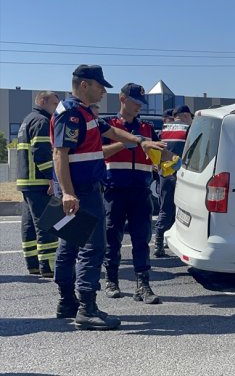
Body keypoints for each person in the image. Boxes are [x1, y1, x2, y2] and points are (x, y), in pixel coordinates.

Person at [52, 65, 164, 331]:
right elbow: (60, 154)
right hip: (80, 192)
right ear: (84, 85)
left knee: (69, 247)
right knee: (93, 248)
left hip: (80, 189)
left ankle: (67, 302)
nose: (104, 91)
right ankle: (86, 309)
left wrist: (140, 141)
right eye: (99, 85)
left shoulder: (84, 113)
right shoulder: (72, 115)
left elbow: (111, 132)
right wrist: (68, 192)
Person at [101, 83, 163, 304]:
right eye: (135, 102)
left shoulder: (146, 128)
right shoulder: (108, 125)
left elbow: (156, 156)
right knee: (112, 237)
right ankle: (111, 280)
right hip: (114, 190)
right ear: (122, 99)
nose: (138, 106)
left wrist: (163, 162)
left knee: (141, 238)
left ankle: (143, 285)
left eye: (140, 103)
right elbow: (98, 153)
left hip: (140, 191)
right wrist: (121, 144)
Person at [16, 91, 60, 277]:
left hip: (27, 182)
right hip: (40, 181)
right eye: (54, 103)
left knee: (30, 225)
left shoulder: (27, 120)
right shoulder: (42, 121)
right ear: (43, 101)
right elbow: (42, 153)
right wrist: (52, 178)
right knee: (46, 224)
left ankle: (33, 264)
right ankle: (48, 266)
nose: (57, 108)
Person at [153, 105, 191, 257]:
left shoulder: (164, 129)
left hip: (164, 173)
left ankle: (159, 241)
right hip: (181, 174)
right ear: (185, 115)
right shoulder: (187, 130)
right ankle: (165, 242)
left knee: (165, 207)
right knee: (181, 210)